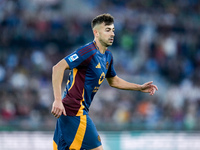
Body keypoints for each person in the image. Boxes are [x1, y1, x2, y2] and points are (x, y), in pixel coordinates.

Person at [51, 13, 158, 150]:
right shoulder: (88, 51)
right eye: (107, 30)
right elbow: (58, 68)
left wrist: (139, 87)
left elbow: (114, 81)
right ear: (96, 33)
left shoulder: (107, 56)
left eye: (113, 30)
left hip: (71, 113)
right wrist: (57, 100)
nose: (112, 34)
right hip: (74, 111)